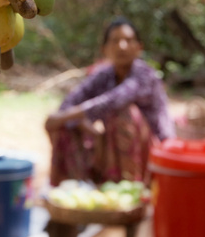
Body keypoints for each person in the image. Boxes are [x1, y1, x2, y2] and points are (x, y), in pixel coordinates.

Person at [45, 17, 176, 186]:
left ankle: (131, 185)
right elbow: (70, 103)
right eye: (115, 41)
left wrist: (73, 116)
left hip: (155, 150)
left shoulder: (145, 74)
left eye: (128, 40)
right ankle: (77, 184)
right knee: (63, 124)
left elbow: (114, 100)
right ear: (104, 49)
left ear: (139, 47)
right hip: (109, 145)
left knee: (123, 113)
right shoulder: (103, 75)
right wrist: (85, 127)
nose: (122, 46)